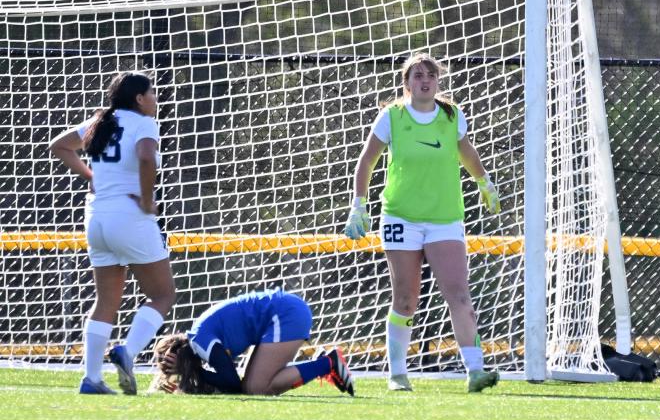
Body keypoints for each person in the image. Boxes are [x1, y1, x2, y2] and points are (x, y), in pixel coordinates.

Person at [343, 53, 501, 393]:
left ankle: (476, 371)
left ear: (438, 81)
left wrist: (484, 181)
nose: (425, 80)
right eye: (417, 75)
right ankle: (397, 374)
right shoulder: (393, 117)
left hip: (445, 218)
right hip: (401, 217)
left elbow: (466, 152)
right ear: (407, 82)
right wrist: (358, 205)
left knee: (459, 294)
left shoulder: (451, 115)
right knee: (405, 299)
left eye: (430, 74)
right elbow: (366, 161)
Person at [49, 71, 175, 395]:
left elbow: (59, 146)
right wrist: (148, 201)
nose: (156, 99)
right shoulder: (143, 123)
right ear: (139, 99)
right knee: (163, 295)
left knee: (105, 300)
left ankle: (91, 379)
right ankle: (127, 352)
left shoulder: (99, 121)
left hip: (96, 216)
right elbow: (147, 157)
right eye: (153, 93)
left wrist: (91, 174)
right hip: (129, 214)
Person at [148, 289, 355, 397]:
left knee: (257, 388)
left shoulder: (200, 341)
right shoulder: (198, 337)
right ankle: (321, 363)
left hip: (285, 314)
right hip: (282, 313)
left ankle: (328, 363)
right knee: (251, 386)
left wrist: (191, 373)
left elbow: (231, 383)